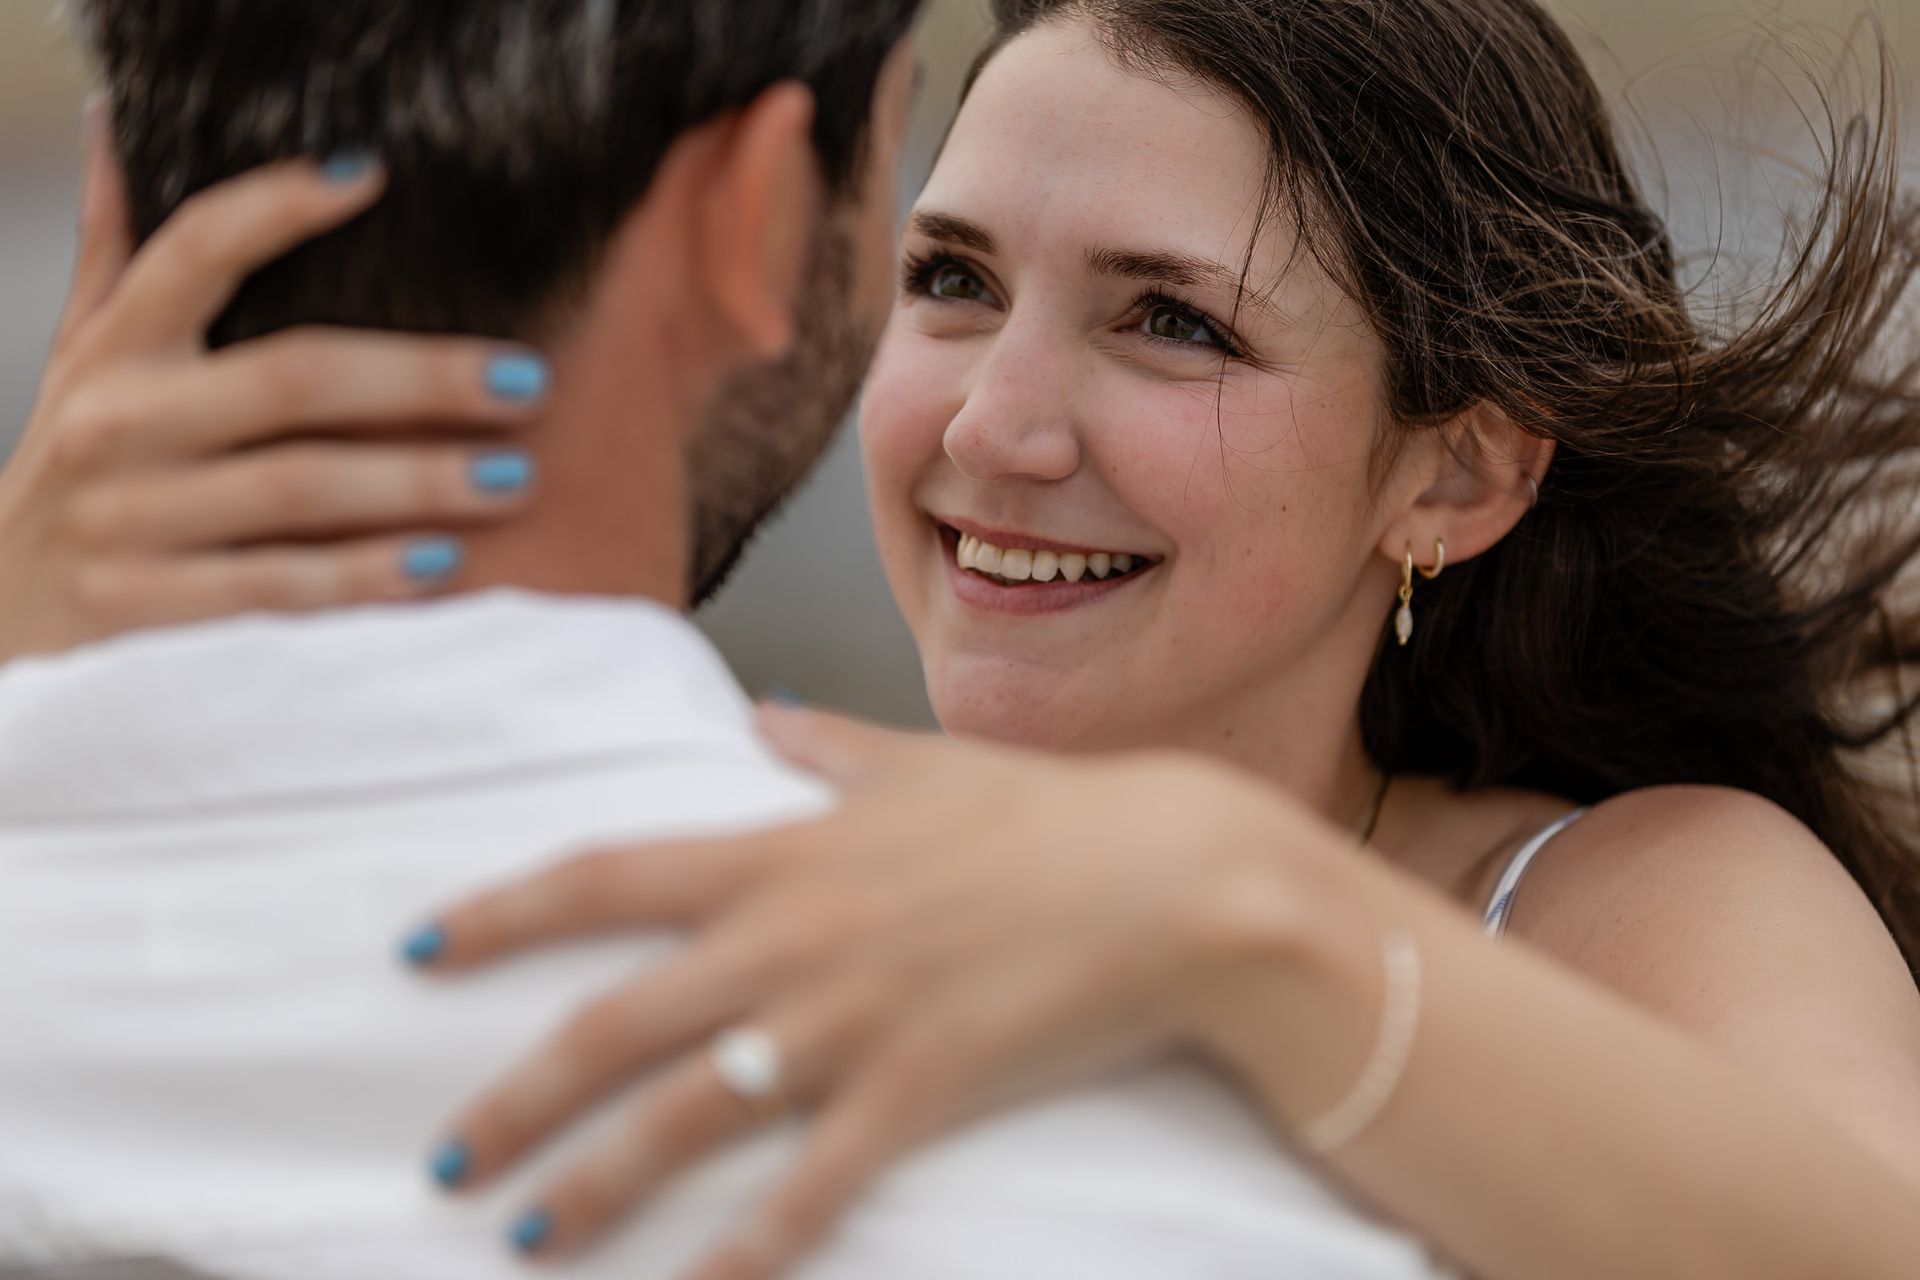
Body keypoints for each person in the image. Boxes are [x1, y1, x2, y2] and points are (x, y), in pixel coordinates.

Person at [6, 0, 1920, 1278]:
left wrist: (1240, 911)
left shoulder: (1637, 889)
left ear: (1459, 477)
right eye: (948, 279)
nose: (993, 429)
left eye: (1172, 320)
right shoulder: (769, 812)